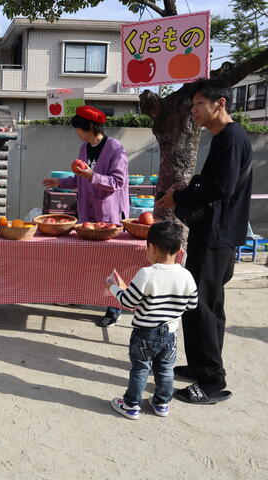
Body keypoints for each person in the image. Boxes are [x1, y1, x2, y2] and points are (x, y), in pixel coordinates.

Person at [156, 78, 252, 404]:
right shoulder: (224, 138)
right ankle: (201, 366)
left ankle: (212, 380)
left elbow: (221, 188)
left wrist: (181, 192)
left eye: (198, 104)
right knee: (206, 303)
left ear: (219, 103)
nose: (193, 110)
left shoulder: (231, 138)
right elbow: (216, 184)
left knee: (201, 307)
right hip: (217, 233)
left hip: (216, 234)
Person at [42, 106, 129, 327]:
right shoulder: (84, 148)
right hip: (86, 213)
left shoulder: (116, 149)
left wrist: (91, 174)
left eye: (78, 129)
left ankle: (114, 306)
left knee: (112, 261)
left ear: (89, 127)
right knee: (86, 258)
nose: (76, 133)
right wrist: (60, 182)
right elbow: (80, 179)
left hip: (108, 213)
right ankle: (80, 295)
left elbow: (117, 182)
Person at [107, 221, 198, 419]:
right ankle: (161, 403)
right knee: (165, 370)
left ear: (152, 247)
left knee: (140, 369)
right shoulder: (186, 275)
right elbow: (192, 305)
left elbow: (129, 301)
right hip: (170, 333)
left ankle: (131, 405)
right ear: (179, 248)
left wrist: (113, 287)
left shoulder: (147, 274)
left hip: (145, 333)